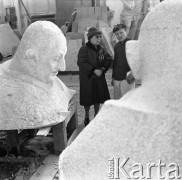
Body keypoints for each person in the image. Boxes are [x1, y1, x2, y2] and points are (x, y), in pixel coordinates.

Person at [0, 21, 76, 130]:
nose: (62, 67)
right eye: (55, 59)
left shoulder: (45, 76)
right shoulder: (8, 92)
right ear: (32, 57)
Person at [77, 27, 112, 126]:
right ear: (90, 38)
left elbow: (108, 59)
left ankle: (96, 115)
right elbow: (81, 62)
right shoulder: (84, 49)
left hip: (99, 78)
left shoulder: (101, 49)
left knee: (98, 97)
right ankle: (87, 116)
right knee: (88, 99)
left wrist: (102, 70)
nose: (99, 39)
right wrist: (93, 70)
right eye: (97, 37)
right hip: (87, 78)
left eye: (100, 37)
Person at [112, 23, 134, 99]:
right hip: (116, 78)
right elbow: (115, 62)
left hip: (127, 79)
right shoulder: (117, 46)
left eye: (121, 32)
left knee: (127, 101)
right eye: (117, 34)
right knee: (117, 101)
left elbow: (136, 62)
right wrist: (113, 77)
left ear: (126, 31)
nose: (119, 36)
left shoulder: (132, 44)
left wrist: (132, 74)